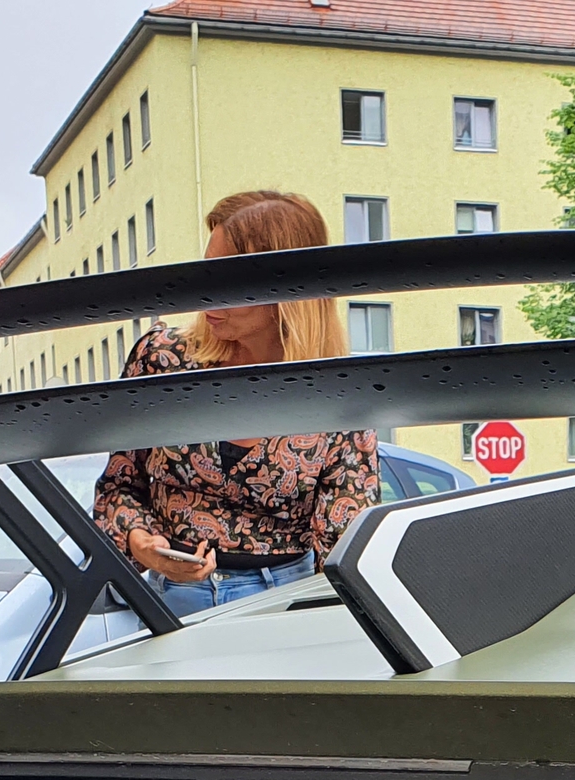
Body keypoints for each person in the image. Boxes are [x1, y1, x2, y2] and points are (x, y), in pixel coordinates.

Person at [93, 189, 379, 617]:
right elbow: (119, 485)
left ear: (288, 288)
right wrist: (144, 545)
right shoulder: (163, 359)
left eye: (229, 276)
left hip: (286, 604)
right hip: (173, 601)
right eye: (207, 270)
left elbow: (344, 538)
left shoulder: (336, 390)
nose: (207, 290)